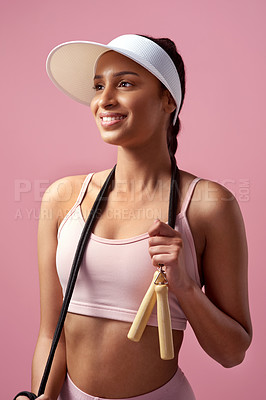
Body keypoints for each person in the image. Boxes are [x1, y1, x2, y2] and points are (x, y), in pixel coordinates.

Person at [17, 34, 252, 400]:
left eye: (124, 83)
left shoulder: (207, 205)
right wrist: (42, 397)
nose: (103, 99)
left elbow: (232, 353)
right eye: (98, 86)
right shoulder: (63, 199)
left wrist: (185, 286)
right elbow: (51, 333)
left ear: (168, 100)